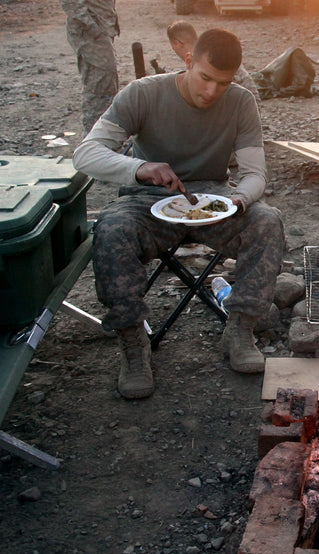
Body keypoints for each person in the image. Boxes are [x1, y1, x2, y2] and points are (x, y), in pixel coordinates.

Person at [73, 28, 284, 400]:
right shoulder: (144, 93)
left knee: (267, 221)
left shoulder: (240, 102)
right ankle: (133, 342)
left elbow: (255, 174)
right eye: (204, 77)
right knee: (111, 228)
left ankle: (239, 328)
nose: (211, 92)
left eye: (223, 83)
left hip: (212, 198)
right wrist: (140, 169)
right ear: (188, 61)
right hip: (147, 196)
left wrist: (238, 201)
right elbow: (87, 153)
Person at [60, 0, 119, 132]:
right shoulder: (92, 30)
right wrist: (92, 27)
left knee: (107, 84)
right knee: (99, 85)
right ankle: (94, 140)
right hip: (90, 33)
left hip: (100, 29)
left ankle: (104, 137)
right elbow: (71, 3)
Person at [167, 21, 261, 103]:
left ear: (177, 43)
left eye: (173, 47)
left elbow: (247, 86)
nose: (211, 92)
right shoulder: (212, 53)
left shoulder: (211, 57)